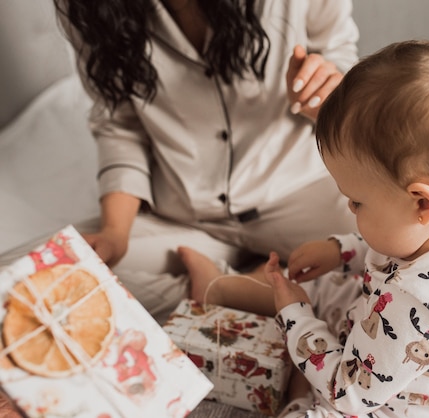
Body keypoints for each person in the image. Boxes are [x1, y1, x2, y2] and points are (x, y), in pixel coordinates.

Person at [179, 40, 429, 417]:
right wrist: (342, 251)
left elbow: (346, 392)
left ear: (421, 203)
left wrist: (295, 317)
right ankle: (222, 288)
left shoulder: (421, 303)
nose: (350, 209)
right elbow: (394, 250)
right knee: (332, 285)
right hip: (381, 336)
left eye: (357, 202)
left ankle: (297, 386)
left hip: (377, 401)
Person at [51, 0, 359, 323]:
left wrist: (324, 97)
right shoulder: (91, 9)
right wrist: (115, 231)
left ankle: (231, 293)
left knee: (406, 267)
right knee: (42, 278)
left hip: (302, 192)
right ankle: (248, 293)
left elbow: (342, 68)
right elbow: (120, 124)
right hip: (187, 219)